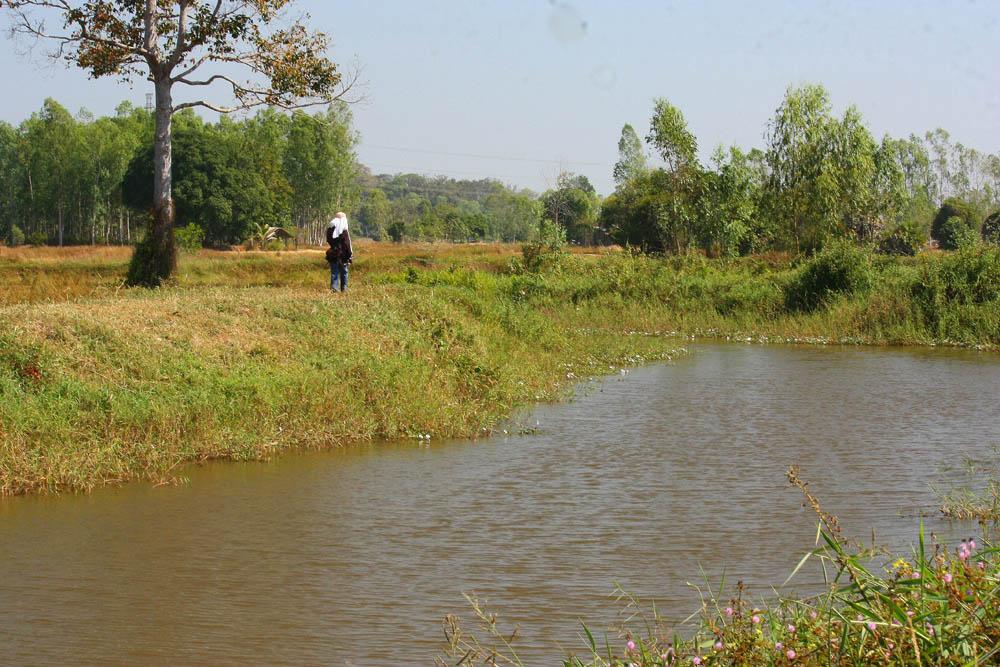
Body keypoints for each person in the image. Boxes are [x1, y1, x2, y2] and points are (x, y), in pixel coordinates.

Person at [325, 211, 353, 291]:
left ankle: (334, 289)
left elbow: (329, 240)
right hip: (343, 255)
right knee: (344, 272)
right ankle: (344, 289)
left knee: (334, 272)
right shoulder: (344, 231)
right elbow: (347, 244)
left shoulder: (330, 230)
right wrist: (350, 255)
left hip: (333, 254)